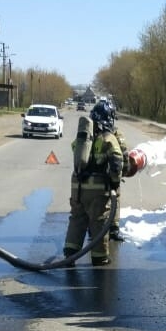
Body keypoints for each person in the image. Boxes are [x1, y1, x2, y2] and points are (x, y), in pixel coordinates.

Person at [63, 99, 134, 264]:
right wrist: (115, 182)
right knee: (99, 221)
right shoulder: (108, 137)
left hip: (77, 186)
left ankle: (70, 251)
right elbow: (117, 161)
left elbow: (77, 152)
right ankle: (99, 257)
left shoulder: (83, 138)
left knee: (77, 219)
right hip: (97, 189)